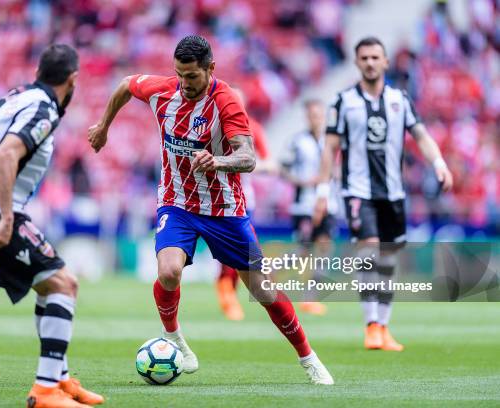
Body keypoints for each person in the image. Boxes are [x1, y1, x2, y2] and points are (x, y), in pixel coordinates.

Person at [88, 35, 334, 385]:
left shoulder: (227, 102)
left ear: (210, 69)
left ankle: (308, 357)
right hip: (176, 203)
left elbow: (248, 157)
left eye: (192, 76)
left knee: (262, 290)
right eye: (179, 75)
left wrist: (217, 161)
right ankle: (173, 338)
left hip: (224, 210)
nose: (184, 84)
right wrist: (103, 126)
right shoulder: (162, 91)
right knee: (169, 271)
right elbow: (126, 85)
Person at [0, 44, 104, 407]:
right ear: (73, 80)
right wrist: (5, 218)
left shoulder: (17, 97)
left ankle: (61, 381)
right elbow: (6, 154)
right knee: (64, 285)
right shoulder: (45, 107)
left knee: (53, 286)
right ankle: (47, 388)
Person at [313, 37, 453, 351]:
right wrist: (323, 191)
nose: (370, 63)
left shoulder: (399, 100)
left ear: (386, 62)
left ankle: (384, 326)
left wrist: (439, 163)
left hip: (393, 192)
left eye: (376, 57)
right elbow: (330, 149)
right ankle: (371, 324)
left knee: (388, 261)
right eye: (364, 58)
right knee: (369, 252)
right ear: (357, 62)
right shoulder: (344, 101)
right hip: (358, 191)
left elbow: (421, 135)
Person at [216, 87, 273, 321]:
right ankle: (226, 290)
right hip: (212, 196)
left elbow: (269, 163)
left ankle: (228, 292)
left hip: (242, 199)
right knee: (232, 251)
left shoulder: (253, 129)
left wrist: (244, 163)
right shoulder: (213, 127)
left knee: (244, 250)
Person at [281, 99, 338, 316]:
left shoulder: (331, 141)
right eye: (312, 115)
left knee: (324, 247)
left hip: (327, 203)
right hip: (304, 205)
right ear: (307, 117)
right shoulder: (297, 142)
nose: (316, 119)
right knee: (304, 251)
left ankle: (310, 297)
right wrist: (303, 181)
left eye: (319, 114)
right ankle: (271, 271)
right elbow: (283, 168)